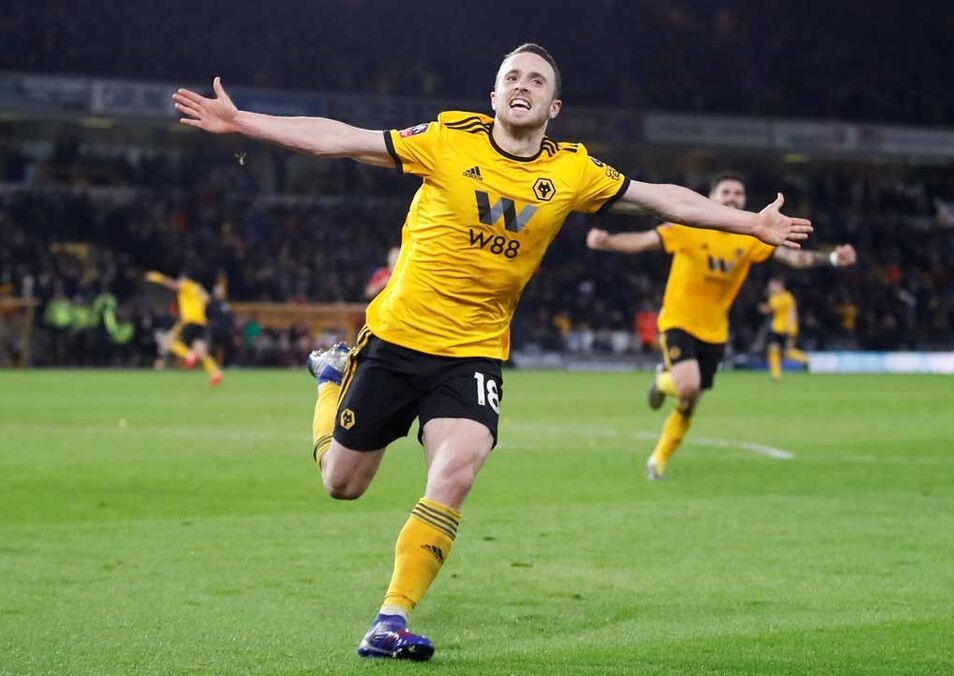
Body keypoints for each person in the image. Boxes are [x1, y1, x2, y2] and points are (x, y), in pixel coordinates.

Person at [173, 44, 812, 661]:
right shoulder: (448, 139)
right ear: (494, 93)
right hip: (396, 339)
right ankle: (330, 379)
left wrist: (750, 223)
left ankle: (391, 619)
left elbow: (661, 196)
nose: (521, 85)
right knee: (343, 483)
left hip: (473, 353)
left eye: (536, 80)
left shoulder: (573, 170)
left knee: (456, 470)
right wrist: (243, 122)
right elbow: (343, 138)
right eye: (512, 76)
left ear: (553, 107)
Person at [586, 172, 854, 479]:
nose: (732, 198)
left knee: (689, 400)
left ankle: (658, 458)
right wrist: (608, 242)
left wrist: (832, 259)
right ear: (711, 197)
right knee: (689, 385)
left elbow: (793, 258)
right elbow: (645, 241)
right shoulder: (687, 226)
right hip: (678, 319)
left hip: (715, 330)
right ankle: (662, 383)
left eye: (738, 193)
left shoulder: (751, 236)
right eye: (726, 191)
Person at [144, 269, 224, 386]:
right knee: (200, 351)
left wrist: (158, 277)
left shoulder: (187, 284)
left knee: (167, 341)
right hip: (201, 323)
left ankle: (188, 355)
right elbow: (207, 300)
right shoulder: (199, 288)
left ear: (184, 278)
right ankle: (215, 372)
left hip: (189, 321)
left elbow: (173, 285)